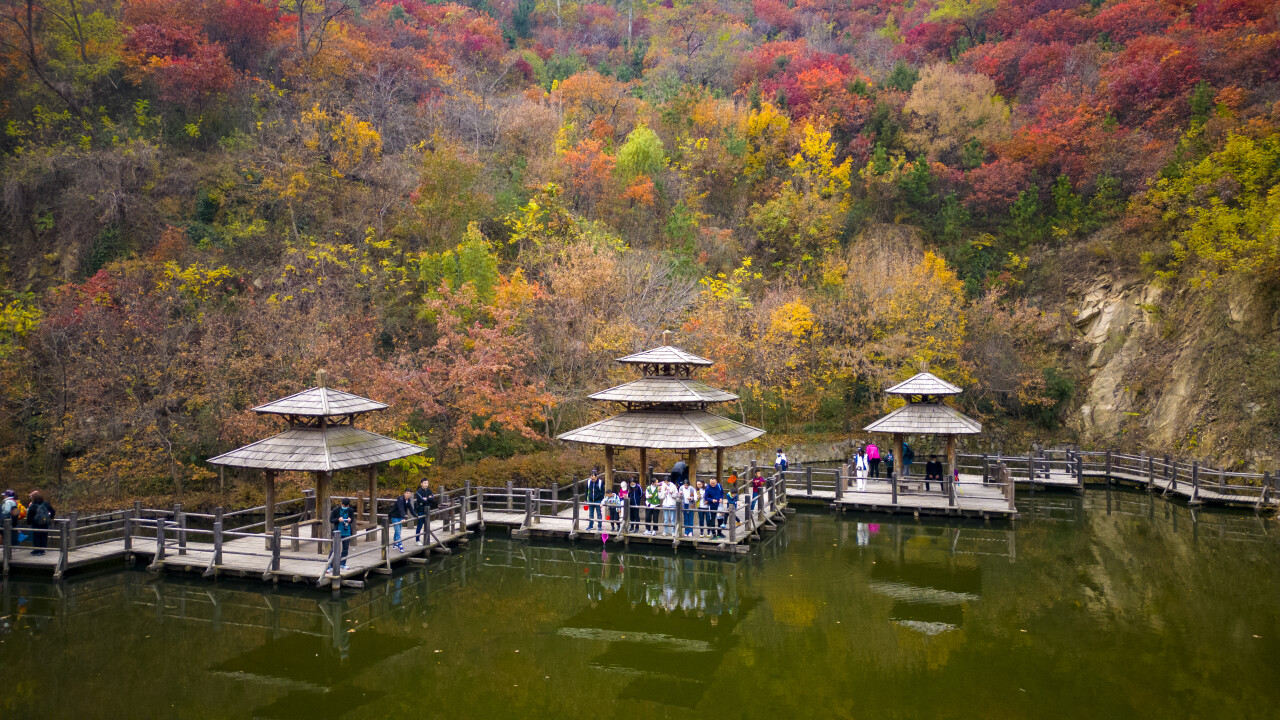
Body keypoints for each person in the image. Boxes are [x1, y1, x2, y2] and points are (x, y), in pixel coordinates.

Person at [329, 498, 356, 571]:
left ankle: (343, 563)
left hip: (347, 531)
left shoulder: (350, 510)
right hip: (337, 531)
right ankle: (330, 565)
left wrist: (350, 520)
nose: (345, 507)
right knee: (334, 549)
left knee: (345, 548)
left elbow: (352, 519)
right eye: (344, 506)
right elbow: (331, 520)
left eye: (347, 506)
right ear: (341, 504)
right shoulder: (336, 510)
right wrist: (338, 519)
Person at [26, 490, 54, 556]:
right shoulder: (46, 504)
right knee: (44, 536)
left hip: (36, 523)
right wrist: (49, 517)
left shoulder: (33, 506)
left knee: (36, 536)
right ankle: (42, 550)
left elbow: (29, 516)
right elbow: (53, 511)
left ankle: (37, 550)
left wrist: (29, 523)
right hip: (45, 523)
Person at [413, 479, 437, 546]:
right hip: (421, 510)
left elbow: (433, 498)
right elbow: (421, 500)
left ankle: (427, 537)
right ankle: (417, 540)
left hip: (428, 509)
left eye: (427, 483)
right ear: (421, 484)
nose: (426, 484)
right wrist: (428, 499)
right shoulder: (418, 491)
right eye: (424, 483)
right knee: (420, 525)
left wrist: (427, 499)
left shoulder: (429, 490)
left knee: (427, 524)